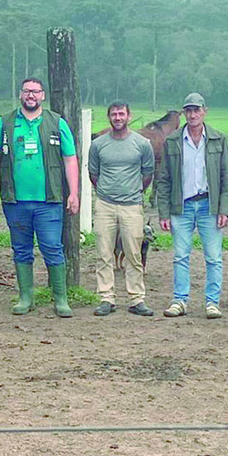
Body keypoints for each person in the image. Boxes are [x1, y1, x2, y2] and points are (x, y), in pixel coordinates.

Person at [0, 77, 80, 318]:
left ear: (43, 96)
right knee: (21, 249)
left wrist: (74, 192)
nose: (31, 95)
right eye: (27, 91)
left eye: (36, 92)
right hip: (15, 200)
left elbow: (70, 159)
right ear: (20, 94)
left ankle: (60, 299)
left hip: (49, 200)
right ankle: (25, 297)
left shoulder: (57, 122)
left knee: (52, 247)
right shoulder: (4, 123)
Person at [155, 92, 228, 319]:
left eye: (196, 110)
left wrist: (224, 209)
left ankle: (212, 302)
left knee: (214, 256)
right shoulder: (173, 140)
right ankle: (180, 300)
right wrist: (164, 211)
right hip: (182, 206)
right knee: (180, 255)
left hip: (209, 204)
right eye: (188, 110)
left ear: (204, 111)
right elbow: (164, 179)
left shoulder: (218, 139)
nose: (192, 114)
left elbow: (226, 178)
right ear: (184, 113)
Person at [88, 101, 156, 317]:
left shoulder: (142, 144)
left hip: (132, 206)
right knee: (104, 252)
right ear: (108, 117)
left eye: (121, 114)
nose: (118, 118)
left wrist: (134, 192)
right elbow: (93, 173)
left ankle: (137, 299)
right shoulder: (98, 145)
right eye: (114, 114)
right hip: (105, 205)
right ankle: (106, 297)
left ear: (129, 116)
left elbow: (147, 173)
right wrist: (107, 192)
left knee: (133, 253)